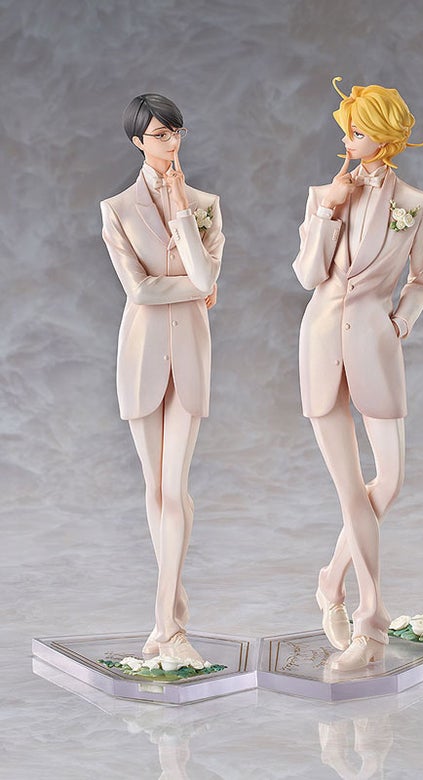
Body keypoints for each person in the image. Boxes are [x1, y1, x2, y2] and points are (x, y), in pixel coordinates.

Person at [293, 78, 423, 670]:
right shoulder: (324, 195)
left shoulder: (417, 203)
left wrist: (399, 322)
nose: (349, 140)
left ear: (386, 135)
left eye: (359, 130)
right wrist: (328, 208)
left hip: (376, 345)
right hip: (322, 341)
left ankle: (331, 578)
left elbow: (422, 280)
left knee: (390, 479)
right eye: (347, 130)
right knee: (352, 491)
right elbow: (308, 275)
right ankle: (370, 624)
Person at [100, 93, 224, 665]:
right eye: (158, 134)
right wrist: (195, 289)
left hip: (191, 354)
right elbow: (140, 289)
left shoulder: (205, 205)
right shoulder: (117, 209)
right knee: (155, 488)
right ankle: (171, 618)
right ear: (137, 142)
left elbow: (205, 274)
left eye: (175, 132)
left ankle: (166, 622)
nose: (169, 142)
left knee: (175, 488)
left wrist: (179, 211)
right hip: (141, 354)